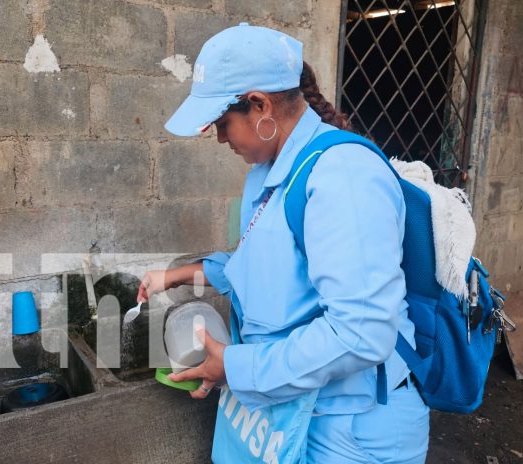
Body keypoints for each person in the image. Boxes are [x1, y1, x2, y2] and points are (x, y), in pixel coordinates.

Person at [137, 23, 429, 463]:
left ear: (260, 105)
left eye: (222, 122)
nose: (219, 138)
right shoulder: (271, 172)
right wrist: (178, 275)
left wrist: (236, 367)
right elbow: (269, 262)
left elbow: (362, 331)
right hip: (298, 409)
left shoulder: (343, 176)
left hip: (351, 430)